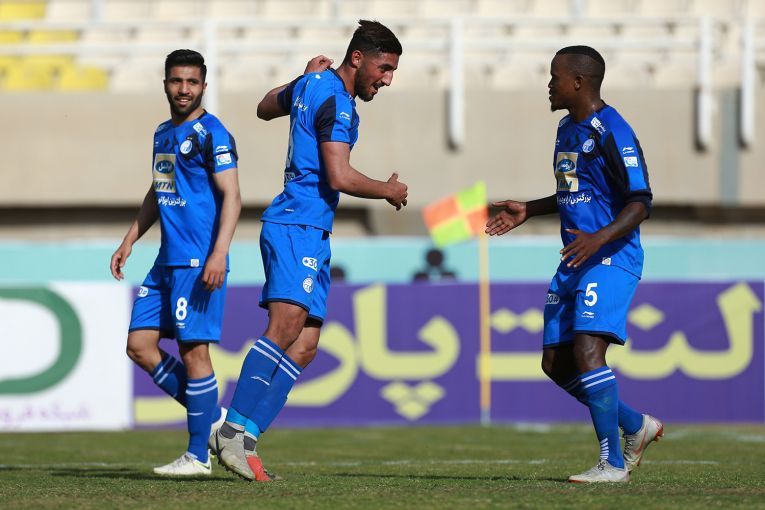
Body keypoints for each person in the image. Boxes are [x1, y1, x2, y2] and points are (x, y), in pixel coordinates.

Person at [212, 19, 407, 482]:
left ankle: (247, 441)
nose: (387, 80)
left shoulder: (312, 84)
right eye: (384, 68)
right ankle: (230, 430)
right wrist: (387, 189)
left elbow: (264, 107)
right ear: (357, 58)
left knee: (305, 345)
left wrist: (300, 78)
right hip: (296, 224)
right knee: (285, 328)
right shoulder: (337, 101)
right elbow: (338, 175)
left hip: (312, 230)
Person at [486, 46, 662, 483]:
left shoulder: (613, 131)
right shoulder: (566, 129)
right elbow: (573, 191)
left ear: (578, 82)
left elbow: (640, 202)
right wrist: (529, 209)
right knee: (555, 363)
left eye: (555, 77)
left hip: (610, 256)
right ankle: (636, 425)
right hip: (575, 258)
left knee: (587, 352)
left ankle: (612, 465)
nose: (550, 84)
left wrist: (599, 238)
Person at [110, 49, 241, 477]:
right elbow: (159, 188)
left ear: (204, 85)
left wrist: (219, 253)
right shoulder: (163, 133)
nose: (184, 89)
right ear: (165, 83)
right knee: (139, 345)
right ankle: (215, 421)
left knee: (193, 351)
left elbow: (233, 196)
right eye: (176, 81)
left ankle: (198, 455)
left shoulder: (212, 133)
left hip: (198, 261)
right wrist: (130, 239)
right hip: (166, 261)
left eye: (192, 82)